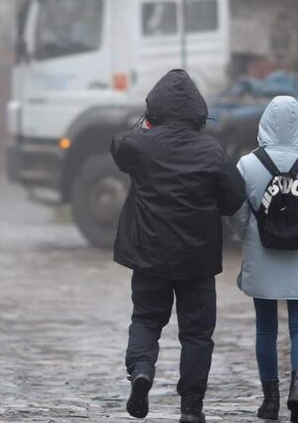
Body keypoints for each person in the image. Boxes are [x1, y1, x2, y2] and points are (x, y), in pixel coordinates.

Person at [111, 69, 245, 423]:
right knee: (197, 333)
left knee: (146, 319)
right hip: (197, 261)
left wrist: (145, 127)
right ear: (198, 112)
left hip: (149, 255)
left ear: (154, 108)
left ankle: (142, 371)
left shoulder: (139, 145)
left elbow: (118, 145)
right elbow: (234, 199)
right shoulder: (213, 152)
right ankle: (191, 407)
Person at [229, 96, 298, 423]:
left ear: (264, 122)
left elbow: (235, 214)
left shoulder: (247, 165)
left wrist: (249, 235)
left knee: (265, 329)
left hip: (261, 259)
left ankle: (270, 401)